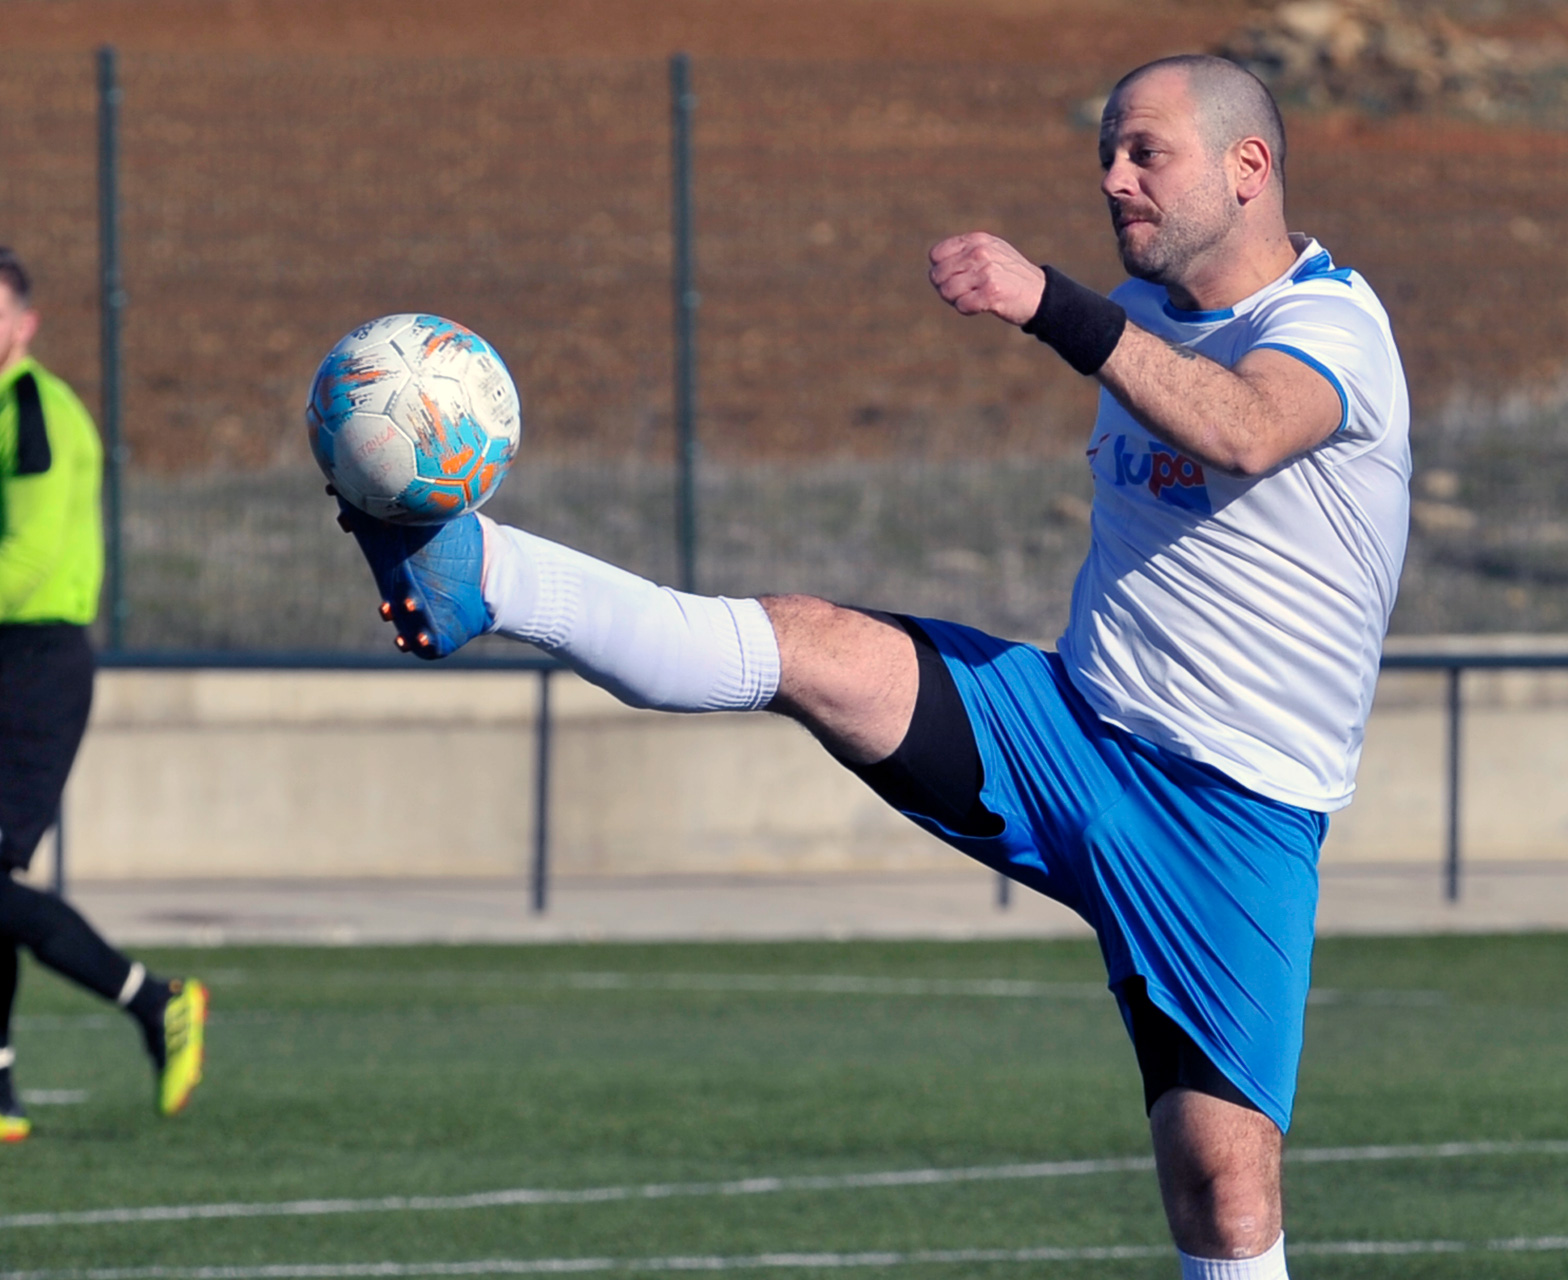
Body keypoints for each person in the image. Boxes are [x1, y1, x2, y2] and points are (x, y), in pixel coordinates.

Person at [336, 55, 1408, 1279]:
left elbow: (1248, 427)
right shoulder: (1143, 316)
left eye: (1143, 152)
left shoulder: (1330, 326)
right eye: (1106, 153)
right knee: (804, 644)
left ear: (1247, 167)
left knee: (1220, 1190)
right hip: (1069, 728)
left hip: (1236, 814)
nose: (1113, 178)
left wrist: (1046, 301)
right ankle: (482, 569)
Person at [0, 245, 207, 1144]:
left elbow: (26, 558)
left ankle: (156, 1001)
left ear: (26, 325)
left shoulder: (33, 410)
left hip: (38, 660)